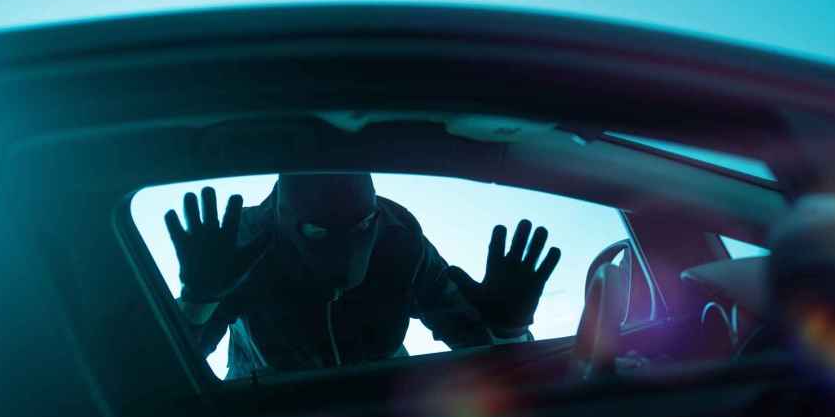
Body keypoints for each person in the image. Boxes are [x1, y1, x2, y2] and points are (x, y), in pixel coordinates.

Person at [165, 173, 561, 378]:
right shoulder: (242, 245)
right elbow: (173, 370)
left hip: (380, 412)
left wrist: (509, 329)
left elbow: (488, 359)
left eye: (362, 224)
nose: (346, 247)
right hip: (263, 415)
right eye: (318, 230)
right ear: (285, 219)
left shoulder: (401, 241)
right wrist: (199, 297)